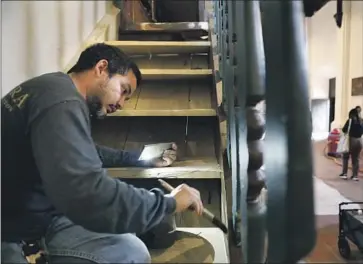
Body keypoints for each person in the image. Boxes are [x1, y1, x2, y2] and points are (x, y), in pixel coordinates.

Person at [1, 43, 204, 263]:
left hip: (40, 217)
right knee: (127, 251)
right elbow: (90, 194)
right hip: (12, 234)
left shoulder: (52, 88)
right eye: (124, 90)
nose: (122, 104)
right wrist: (167, 204)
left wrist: (136, 158)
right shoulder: (61, 103)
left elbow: (80, 153)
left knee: (130, 248)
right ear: (101, 68)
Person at [339, 108, 363, 181]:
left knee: (345, 157)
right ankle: (355, 175)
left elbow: (344, 130)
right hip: (359, 141)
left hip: (350, 140)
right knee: (356, 158)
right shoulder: (361, 121)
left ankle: (344, 174)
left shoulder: (350, 121)